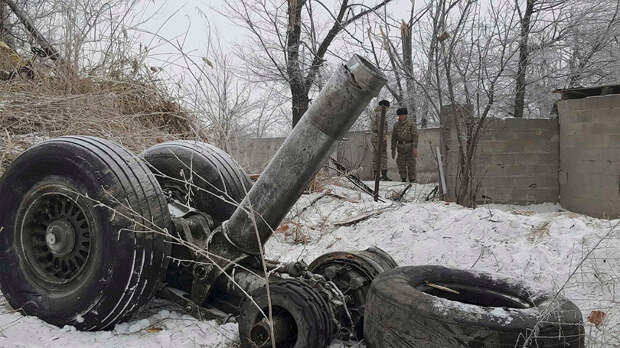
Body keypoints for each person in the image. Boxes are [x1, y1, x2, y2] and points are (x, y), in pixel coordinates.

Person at [391, 107, 418, 182]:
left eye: (403, 115)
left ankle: (412, 180)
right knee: (401, 164)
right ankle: (403, 179)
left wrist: (415, 148)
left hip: (410, 146)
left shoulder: (411, 124)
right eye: (400, 115)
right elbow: (394, 138)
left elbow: (415, 136)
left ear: (406, 115)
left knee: (411, 164)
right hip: (400, 147)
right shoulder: (396, 125)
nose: (401, 117)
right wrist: (393, 149)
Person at [370, 99, 391, 181]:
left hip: (374, 137)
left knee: (376, 156)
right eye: (387, 107)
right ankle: (384, 175)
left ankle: (376, 176)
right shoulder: (381, 113)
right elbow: (381, 127)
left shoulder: (375, 113)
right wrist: (383, 138)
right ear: (385, 106)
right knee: (383, 155)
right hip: (379, 137)